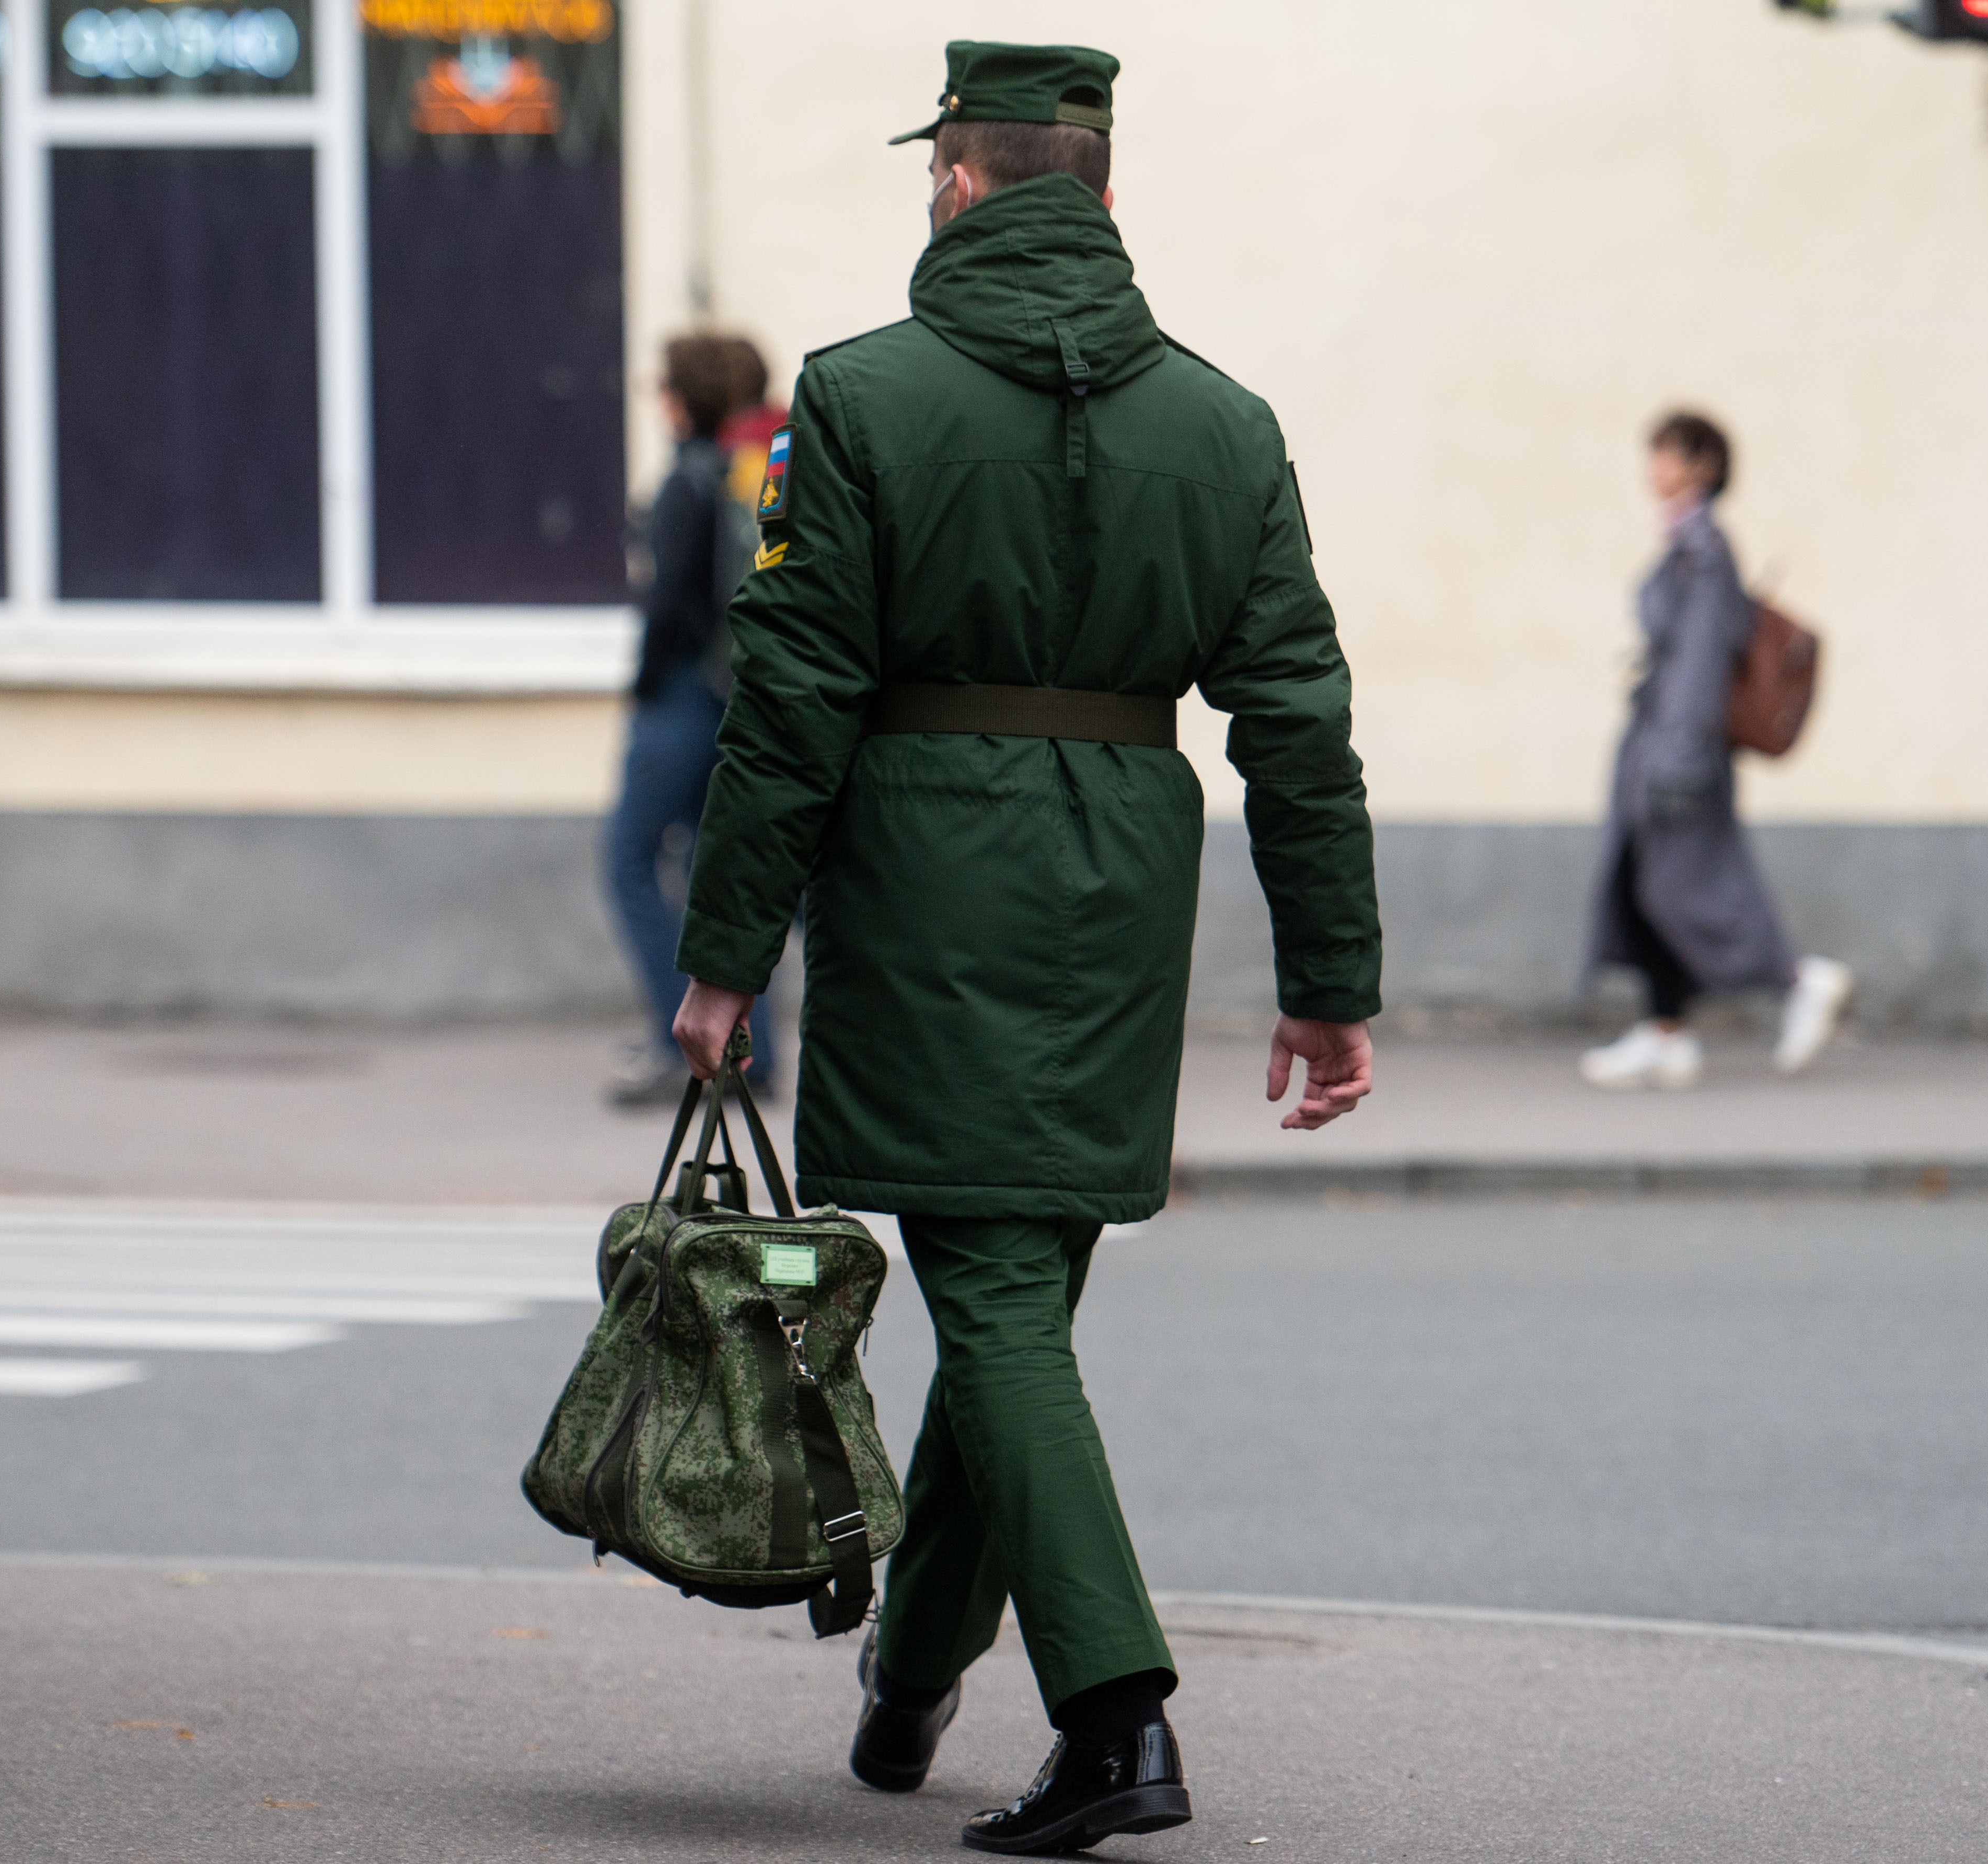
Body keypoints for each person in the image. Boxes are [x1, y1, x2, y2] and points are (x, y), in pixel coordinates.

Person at [662, 41, 1382, 1856]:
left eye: (939, 175)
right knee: (1020, 1295)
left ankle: (1118, 1717)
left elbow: (796, 690)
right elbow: (1297, 710)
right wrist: (1328, 977)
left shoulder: (858, 396)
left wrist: (724, 949)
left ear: (962, 187)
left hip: (926, 880)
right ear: (1105, 198)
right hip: (1123, 888)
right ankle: (912, 1678)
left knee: (992, 1300)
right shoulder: (1226, 423)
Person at [1581, 410, 1852, 1090]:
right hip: (1666, 742)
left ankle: (1797, 981)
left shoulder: (1704, 548)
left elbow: (1703, 661)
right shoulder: (1686, 542)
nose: (1655, 468)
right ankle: (1666, 1033)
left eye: (1668, 454)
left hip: (1680, 750)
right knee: (1653, 886)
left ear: (1703, 465)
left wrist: (1678, 754)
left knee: (1688, 889)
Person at [602, 332, 775, 1107]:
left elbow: (668, 604)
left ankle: (687, 1046)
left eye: (666, 386)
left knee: (629, 863)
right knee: (720, 876)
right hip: (735, 700)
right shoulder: (759, 471)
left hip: (680, 700)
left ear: (687, 397)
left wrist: (641, 683)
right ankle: (750, 1051)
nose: (658, 399)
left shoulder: (687, 483)